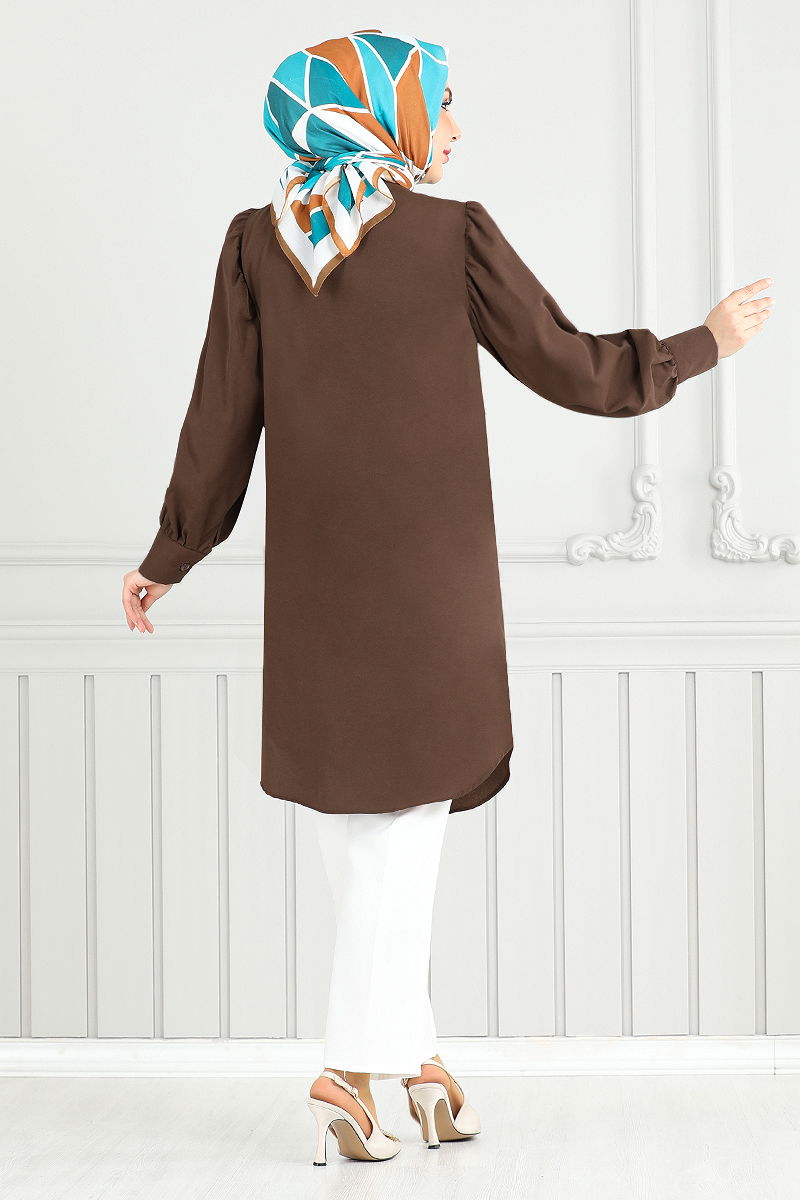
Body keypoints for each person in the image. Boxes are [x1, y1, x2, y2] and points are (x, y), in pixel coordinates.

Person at [121, 30, 772, 1166]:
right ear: (379, 112)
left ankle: (414, 1061)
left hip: (317, 588)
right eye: (441, 104)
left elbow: (219, 415)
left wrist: (171, 552)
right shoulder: (447, 231)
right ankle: (348, 1069)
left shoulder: (254, 245)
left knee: (363, 823)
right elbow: (571, 366)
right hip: (430, 586)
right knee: (401, 823)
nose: (457, 129)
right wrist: (701, 344)